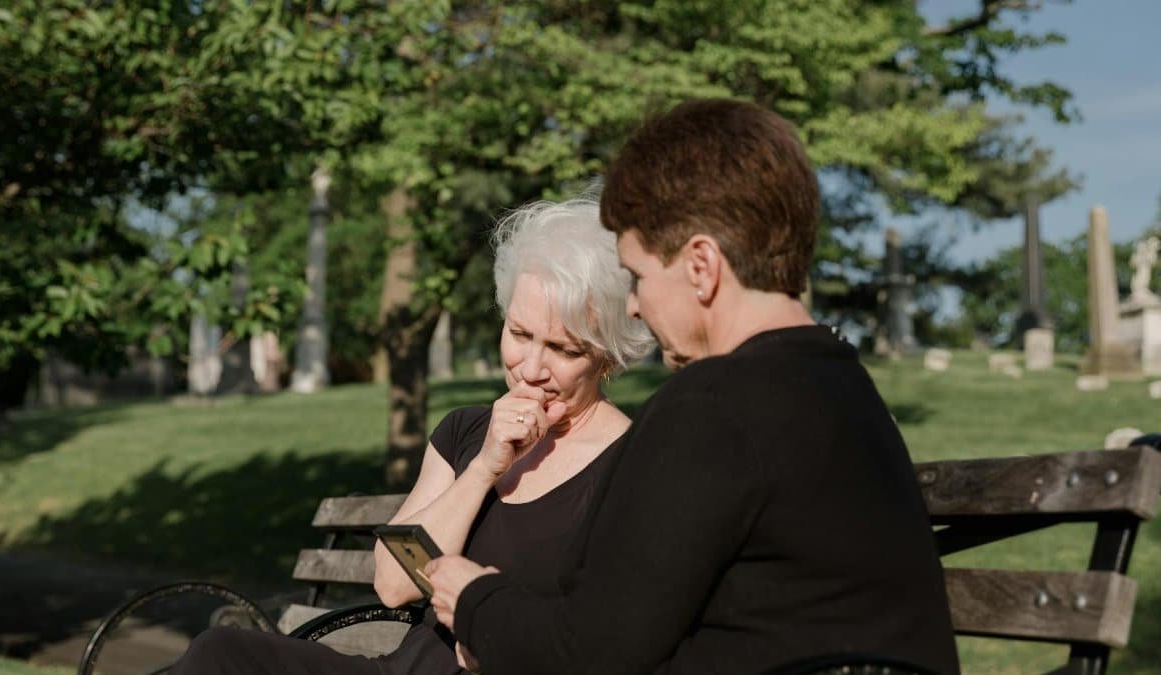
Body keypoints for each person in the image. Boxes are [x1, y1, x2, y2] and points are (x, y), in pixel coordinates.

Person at [426, 99, 962, 675]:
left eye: (638, 275)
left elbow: (590, 652)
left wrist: (475, 602)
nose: (633, 304)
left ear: (701, 266)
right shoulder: (842, 388)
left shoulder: (714, 406)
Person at [168, 197, 654, 675]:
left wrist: (506, 642)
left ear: (607, 357)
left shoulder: (629, 466)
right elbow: (394, 583)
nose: (529, 368)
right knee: (219, 655)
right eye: (520, 333)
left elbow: (617, 640)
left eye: (561, 349)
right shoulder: (465, 433)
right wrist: (483, 467)